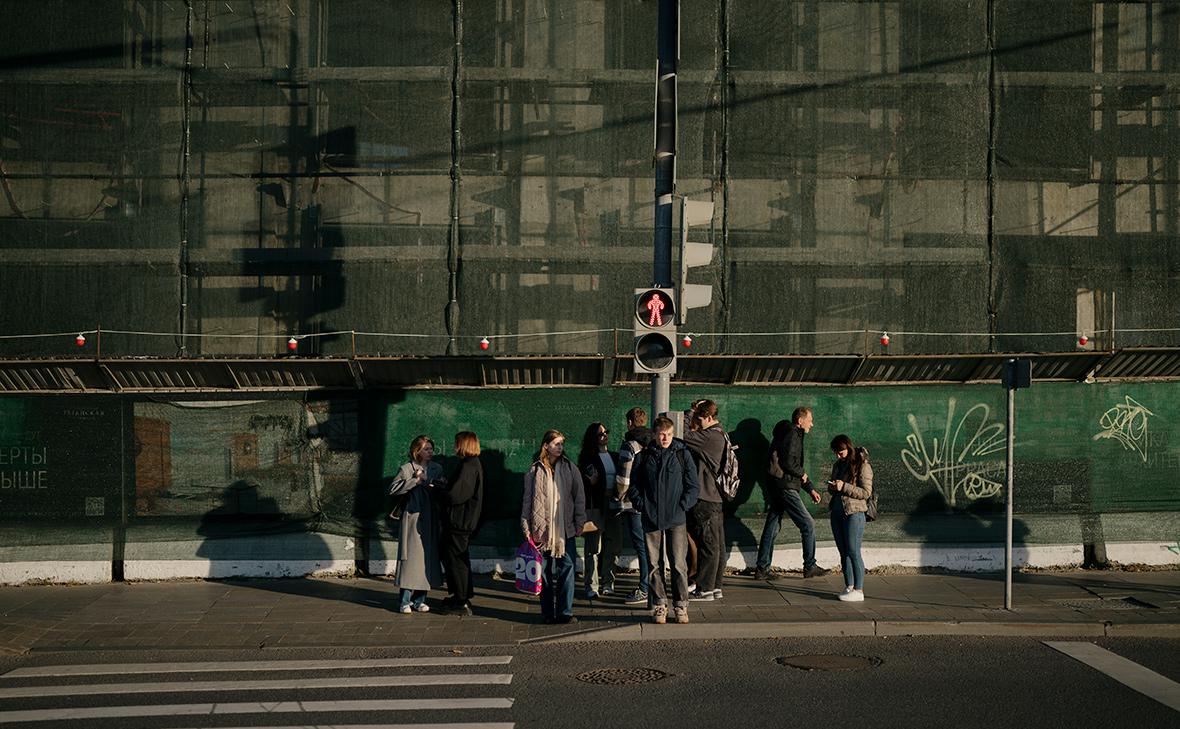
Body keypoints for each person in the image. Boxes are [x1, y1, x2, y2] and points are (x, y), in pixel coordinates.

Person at [631, 415, 699, 624]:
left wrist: (682, 506)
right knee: (653, 564)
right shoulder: (643, 457)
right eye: (662, 434)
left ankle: (681, 606)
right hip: (651, 518)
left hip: (676, 518)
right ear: (655, 434)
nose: (665, 438)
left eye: (669, 434)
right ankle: (660, 604)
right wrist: (642, 505)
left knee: (679, 564)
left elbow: (693, 485)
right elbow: (633, 486)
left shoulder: (682, 454)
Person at [755, 407, 829, 580]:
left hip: (778, 485)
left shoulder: (786, 434)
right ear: (800, 420)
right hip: (785, 487)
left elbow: (788, 464)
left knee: (773, 525)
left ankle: (762, 569)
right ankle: (809, 566)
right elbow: (789, 463)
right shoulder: (793, 434)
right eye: (810, 419)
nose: (812, 423)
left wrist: (809, 488)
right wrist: (803, 475)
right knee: (808, 524)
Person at [521, 429, 587, 624]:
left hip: (565, 529)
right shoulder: (535, 470)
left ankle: (565, 612)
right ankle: (548, 613)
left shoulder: (570, 468)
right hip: (542, 531)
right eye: (556, 444)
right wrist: (526, 528)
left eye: (561, 444)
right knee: (545, 572)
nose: (560, 447)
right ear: (546, 446)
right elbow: (527, 501)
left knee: (567, 569)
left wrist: (579, 521)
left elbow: (579, 496)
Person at [388, 435, 445, 613]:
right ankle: (404, 601)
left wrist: (438, 483)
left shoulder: (437, 468)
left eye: (431, 449)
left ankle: (420, 599)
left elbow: (443, 488)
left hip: (431, 517)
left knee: (428, 557)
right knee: (411, 558)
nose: (430, 452)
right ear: (417, 450)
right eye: (426, 449)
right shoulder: (406, 469)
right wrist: (415, 480)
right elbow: (392, 489)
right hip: (412, 517)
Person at [682, 399, 727, 602]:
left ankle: (705, 588)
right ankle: (715, 587)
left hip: (705, 497)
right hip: (715, 497)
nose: (697, 422)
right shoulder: (720, 434)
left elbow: (681, 433)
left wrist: (689, 411)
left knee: (708, 544)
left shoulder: (709, 437)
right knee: (716, 545)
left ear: (709, 417)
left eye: (700, 418)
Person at [435, 431, 484, 615]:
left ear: (463, 445)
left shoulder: (468, 466)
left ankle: (461, 601)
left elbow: (456, 495)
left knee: (455, 561)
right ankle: (460, 596)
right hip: (461, 522)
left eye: (456, 443)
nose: (454, 446)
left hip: (459, 523)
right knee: (457, 559)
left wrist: (437, 491)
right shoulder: (471, 464)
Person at [614, 408, 653, 605]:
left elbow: (623, 479)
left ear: (630, 422)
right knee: (651, 546)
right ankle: (652, 586)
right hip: (653, 502)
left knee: (641, 546)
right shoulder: (654, 441)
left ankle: (645, 588)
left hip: (634, 503)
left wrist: (618, 497)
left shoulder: (630, 445)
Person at [828, 434, 873, 602]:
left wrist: (844, 486)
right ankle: (849, 586)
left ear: (848, 447)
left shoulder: (862, 466)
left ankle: (859, 589)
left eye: (841, 452)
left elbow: (865, 493)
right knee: (843, 551)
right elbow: (835, 488)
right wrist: (833, 487)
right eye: (836, 453)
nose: (838, 456)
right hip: (837, 512)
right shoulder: (838, 465)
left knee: (853, 551)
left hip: (854, 513)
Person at [576, 422, 610, 599]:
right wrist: (593, 483)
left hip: (613, 507)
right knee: (593, 548)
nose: (604, 436)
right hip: (596, 506)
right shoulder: (588, 458)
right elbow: (584, 485)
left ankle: (607, 583)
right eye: (600, 434)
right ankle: (591, 585)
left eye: (606, 432)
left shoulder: (613, 455)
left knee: (610, 547)